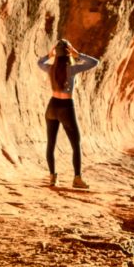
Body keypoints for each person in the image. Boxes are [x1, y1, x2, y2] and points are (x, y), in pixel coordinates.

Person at [37, 39, 100, 188]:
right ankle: (77, 178)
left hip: (52, 106)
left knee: (51, 144)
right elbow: (94, 62)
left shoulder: (50, 68)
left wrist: (49, 54)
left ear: (56, 54)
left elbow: (39, 63)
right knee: (76, 144)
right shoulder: (71, 69)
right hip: (66, 107)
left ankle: (53, 177)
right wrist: (77, 54)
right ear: (68, 52)